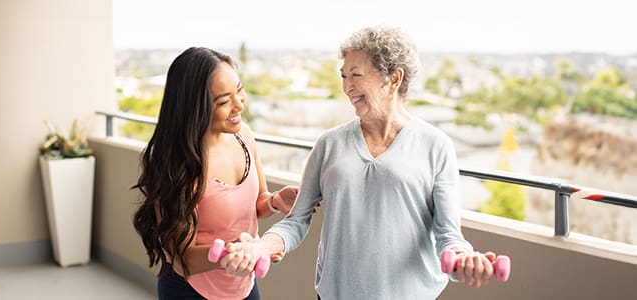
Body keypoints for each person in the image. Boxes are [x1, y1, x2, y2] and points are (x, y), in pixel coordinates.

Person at [221, 26, 499, 299]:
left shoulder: (436, 145)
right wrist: (258, 248)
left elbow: (448, 236)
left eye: (356, 75)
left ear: (393, 79)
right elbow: (295, 221)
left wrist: (463, 260)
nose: (346, 87)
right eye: (343, 76)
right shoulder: (329, 144)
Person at [132, 47, 298, 300]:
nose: (239, 104)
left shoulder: (243, 136)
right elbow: (182, 259)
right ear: (193, 107)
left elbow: (256, 204)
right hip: (191, 290)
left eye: (239, 91)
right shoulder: (175, 164)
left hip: (242, 284)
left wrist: (275, 201)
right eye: (223, 101)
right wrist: (235, 252)